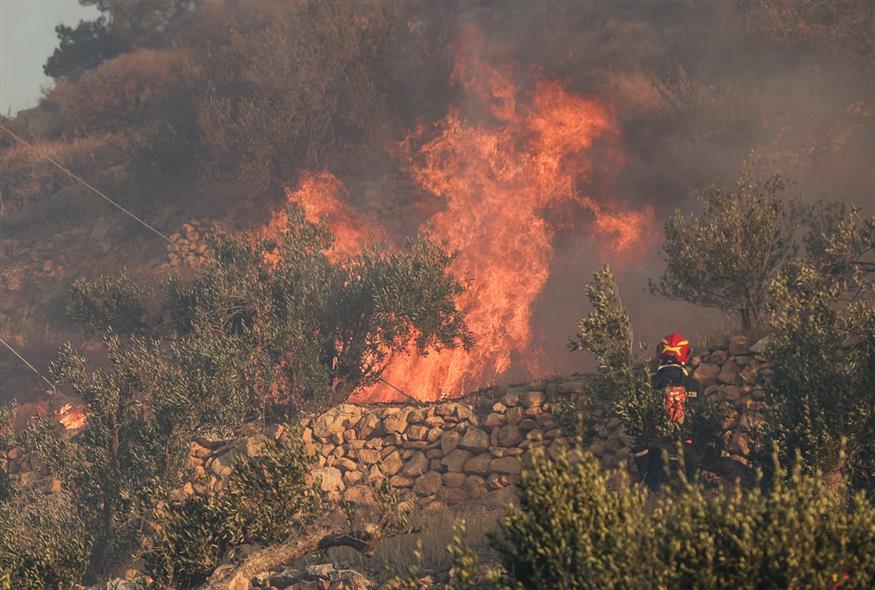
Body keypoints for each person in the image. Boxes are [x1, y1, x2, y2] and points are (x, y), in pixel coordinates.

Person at [632, 332, 702, 490]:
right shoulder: (693, 385)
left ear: (659, 353)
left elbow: (636, 420)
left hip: (655, 453)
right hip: (686, 450)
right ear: (686, 354)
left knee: (654, 498)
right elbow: (703, 417)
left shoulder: (647, 384)